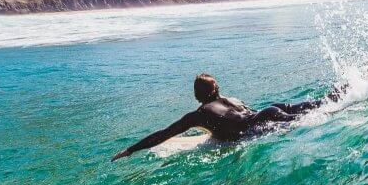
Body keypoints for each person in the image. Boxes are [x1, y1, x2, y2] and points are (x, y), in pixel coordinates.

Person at [111, 73, 340, 161]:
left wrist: (131, 149)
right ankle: (355, 86)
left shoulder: (198, 115)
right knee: (315, 105)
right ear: (217, 89)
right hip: (268, 110)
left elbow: (165, 134)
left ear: (196, 95)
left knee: (314, 118)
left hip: (261, 123)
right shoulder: (232, 98)